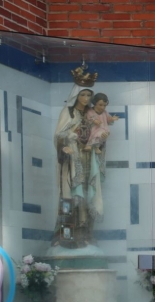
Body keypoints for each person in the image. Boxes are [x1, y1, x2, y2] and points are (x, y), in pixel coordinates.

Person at [51, 76, 107, 248]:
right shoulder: (68, 113)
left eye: (89, 95)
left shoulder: (91, 113)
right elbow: (58, 135)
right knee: (73, 195)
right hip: (72, 160)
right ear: (76, 95)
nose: (86, 99)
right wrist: (66, 145)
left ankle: (86, 234)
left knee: (88, 193)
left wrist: (101, 139)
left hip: (88, 157)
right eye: (83, 95)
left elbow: (99, 132)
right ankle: (68, 236)